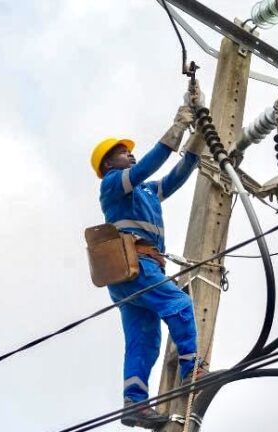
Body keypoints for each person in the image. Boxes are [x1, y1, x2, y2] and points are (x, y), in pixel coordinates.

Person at [89, 88, 208, 429]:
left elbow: (175, 176)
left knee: (145, 340)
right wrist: (178, 126)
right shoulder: (113, 184)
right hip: (136, 265)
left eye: (130, 152)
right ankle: (192, 369)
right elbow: (153, 161)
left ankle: (135, 404)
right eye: (124, 153)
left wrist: (197, 138)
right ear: (109, 163)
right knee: (180, 304)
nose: (131, 155)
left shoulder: (145, 192)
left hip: (131, 275)